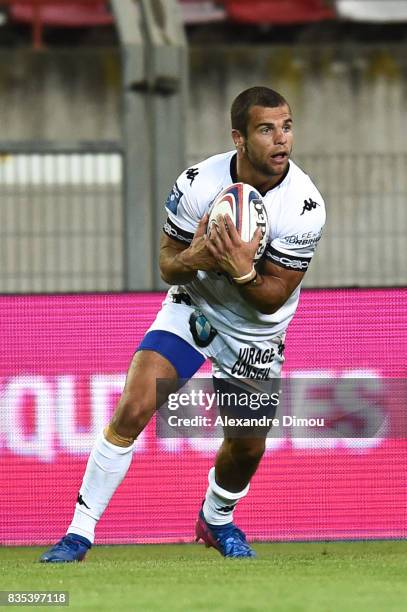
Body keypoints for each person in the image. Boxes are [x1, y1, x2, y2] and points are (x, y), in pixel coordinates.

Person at [40, 86, 325, 562]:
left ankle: (217, 520)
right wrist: (195, 256)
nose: (281, 140)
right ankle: (78, 533)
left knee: (246, 448)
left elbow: (272, 300)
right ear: (239, 137)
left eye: (287, 127)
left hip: (255, 333)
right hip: (194, 308)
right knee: (134, 406)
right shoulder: (197, 183)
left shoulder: (304, 204)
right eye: (266, 129)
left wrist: (241, 269)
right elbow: (168, 265)